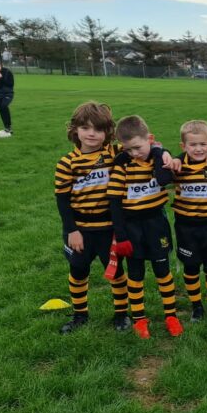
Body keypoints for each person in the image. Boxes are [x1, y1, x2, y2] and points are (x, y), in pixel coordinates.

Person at [53, 101, 130, 333]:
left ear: (108, 132)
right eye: (85, 128)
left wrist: (161, 153)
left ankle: (121, 314)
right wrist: (72, 231)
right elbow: (63, 201)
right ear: (75, 130)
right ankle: (79, 315)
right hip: (80, 230)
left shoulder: (115, 154)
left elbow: (142, 149)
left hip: (108, 229)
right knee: (78, 270)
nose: (91, 134)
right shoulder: (67, 163)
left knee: (115, 272)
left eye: (98, 129)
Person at [107, 115, 181, 339]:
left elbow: (162, 179)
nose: (134, 154)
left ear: (149, 138)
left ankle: (171, 315)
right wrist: (121, 237)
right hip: (132, 228)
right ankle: (139, 319)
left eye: (138, 147)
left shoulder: (158, 158)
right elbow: (114, 203)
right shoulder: (122, 166)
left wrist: (159, 153)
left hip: (156, 223)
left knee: (162, 271)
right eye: (128, 150)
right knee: (136, 274)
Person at [172, 120, 207, 321]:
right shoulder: (178, 167)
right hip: (186, 227)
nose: (198, 149)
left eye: (203, 144)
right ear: (183, 146)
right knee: (191, 266)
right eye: (192, 144)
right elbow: (159, 172)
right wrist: (173, 157)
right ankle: (196, 306)